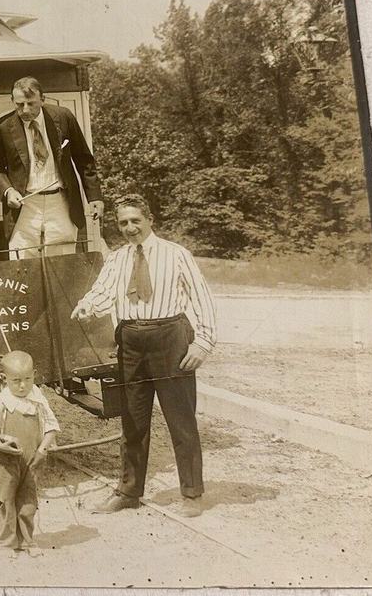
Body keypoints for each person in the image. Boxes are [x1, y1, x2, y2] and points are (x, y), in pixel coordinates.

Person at [71, 194, 217, 518]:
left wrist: (203, 343)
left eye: (136, 220)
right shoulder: (117, 259)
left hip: (170, 338)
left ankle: (192, 493)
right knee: (133, 421)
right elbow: (102, 291)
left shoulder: (176, 254)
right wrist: (86, 306)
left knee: (181, 420)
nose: (130, 228)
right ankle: (128, 492)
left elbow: (202, 297)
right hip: (131, 341)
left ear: (150, 219)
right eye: (123, 222)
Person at [0, 76, 104, 259]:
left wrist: (94, 196)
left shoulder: (63, 117)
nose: (25, 110)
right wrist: (8, 190)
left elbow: (83, 158)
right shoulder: (2, 128)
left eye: (31, 104)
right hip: (25, 204)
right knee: (22, 262)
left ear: (42, 99)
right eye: (19, 104)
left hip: (60, 201)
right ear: (12, 101)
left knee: (62, 261)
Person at [0, 350, 60, 556]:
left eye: (27, 379)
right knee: (4, 500)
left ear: (34, 374)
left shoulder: (38, 401)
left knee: (28, 501)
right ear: (4, 379)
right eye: (16, 381)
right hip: (7, 461)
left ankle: (26, 541)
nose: (23, 386)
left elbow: (51, 427)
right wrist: (0, 445)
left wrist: (43, 449)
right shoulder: (0, 403)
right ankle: (5, 543)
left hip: (33, 459)